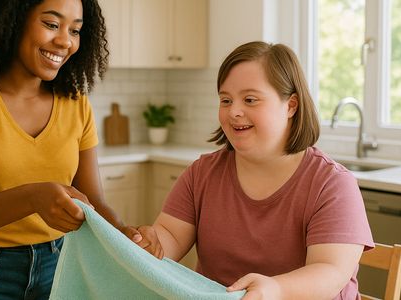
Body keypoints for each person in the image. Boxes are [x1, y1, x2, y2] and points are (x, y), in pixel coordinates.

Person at [0, 0, 154, 298]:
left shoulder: (76, 102)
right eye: (51, 24)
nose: (65, 41)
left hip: (60, 263)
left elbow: (92, 200)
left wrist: (127, 233)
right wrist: (33, 197)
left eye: (75, 30)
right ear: (11, 19)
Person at [138, 41, 374, 300]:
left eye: (250, 99)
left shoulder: (332, 184)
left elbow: (330, 272)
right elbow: (170, 235)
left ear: (291, 106)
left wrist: (276, 289)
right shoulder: (201, 174)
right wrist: (148, 243)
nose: (234, 112)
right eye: (226, 100)